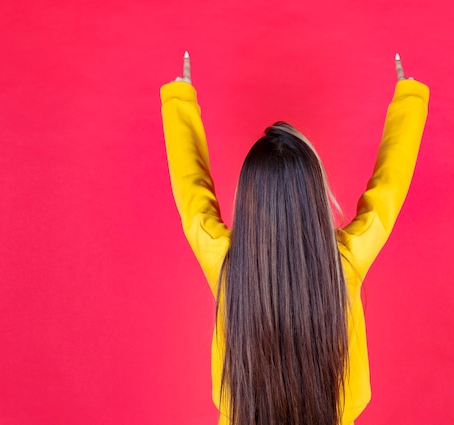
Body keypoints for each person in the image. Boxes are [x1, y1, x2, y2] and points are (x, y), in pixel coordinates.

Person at [160, 51, 429, 425]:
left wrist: (179, 101)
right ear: (314, 197)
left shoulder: (227, 265)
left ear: (250, 203)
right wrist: (409, 100)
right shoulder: (344, 262)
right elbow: (388, 192)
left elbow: (193, 200)